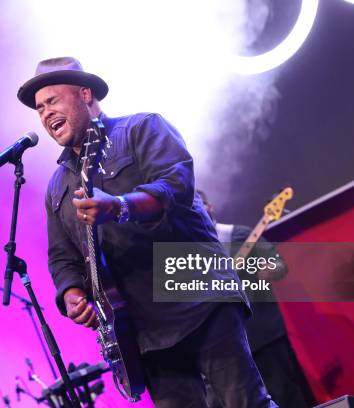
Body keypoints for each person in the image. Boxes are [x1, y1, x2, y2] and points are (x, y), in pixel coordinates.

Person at [17, 56, 277, 407]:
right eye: (39, 109)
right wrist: (72, 294)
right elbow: (62, 257)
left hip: (197, 298)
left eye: (53, 101)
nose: (46, 114)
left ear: (85, 94)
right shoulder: (57, 187)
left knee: (247, 403)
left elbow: (177, 185)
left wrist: (120, 206)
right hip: (141, 330)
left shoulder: (142, 129)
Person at [198, 191, 316, 408]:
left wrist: (267, 270)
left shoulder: (240, 235)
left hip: (264, 335)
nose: (198, 210)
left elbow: (279, 266)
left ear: (210, 207)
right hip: (228, 347)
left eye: (200, 204)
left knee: (287, 394)